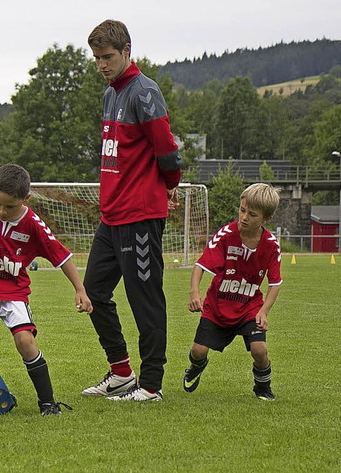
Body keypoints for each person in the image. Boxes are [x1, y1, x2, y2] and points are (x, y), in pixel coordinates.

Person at [82, 19, 182, 402]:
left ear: (127, 51)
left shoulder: (145, 92)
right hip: (112, 216)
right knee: (93, 292)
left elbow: (167, 153)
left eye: (107, 57)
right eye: (96, 58)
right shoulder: (111, 94)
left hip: (140, 215)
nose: (102, 65)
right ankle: (122, 372)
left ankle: (151, 385)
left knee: (146, 299)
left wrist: (167, 188)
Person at [0, 164, 93, 416]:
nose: (1, 211)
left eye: (9, 206)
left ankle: (47, 403)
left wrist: (80, 290)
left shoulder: (33, 224)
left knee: (25, 341)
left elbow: (62, 258)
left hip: (13, 293)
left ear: (26, 199)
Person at [184, 183, 282, 401]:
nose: (244, 217)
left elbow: (275, 283)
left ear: (266, 219)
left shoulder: (271, 245)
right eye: (242, 210)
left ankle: (262, 387)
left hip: (250, 308)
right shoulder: (226, 235)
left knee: (259, 350)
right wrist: (194, 293)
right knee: (198, 352)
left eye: (252, 214)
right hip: (217, 306)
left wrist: (263, 312)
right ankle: (197, 365)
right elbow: (200, 266)